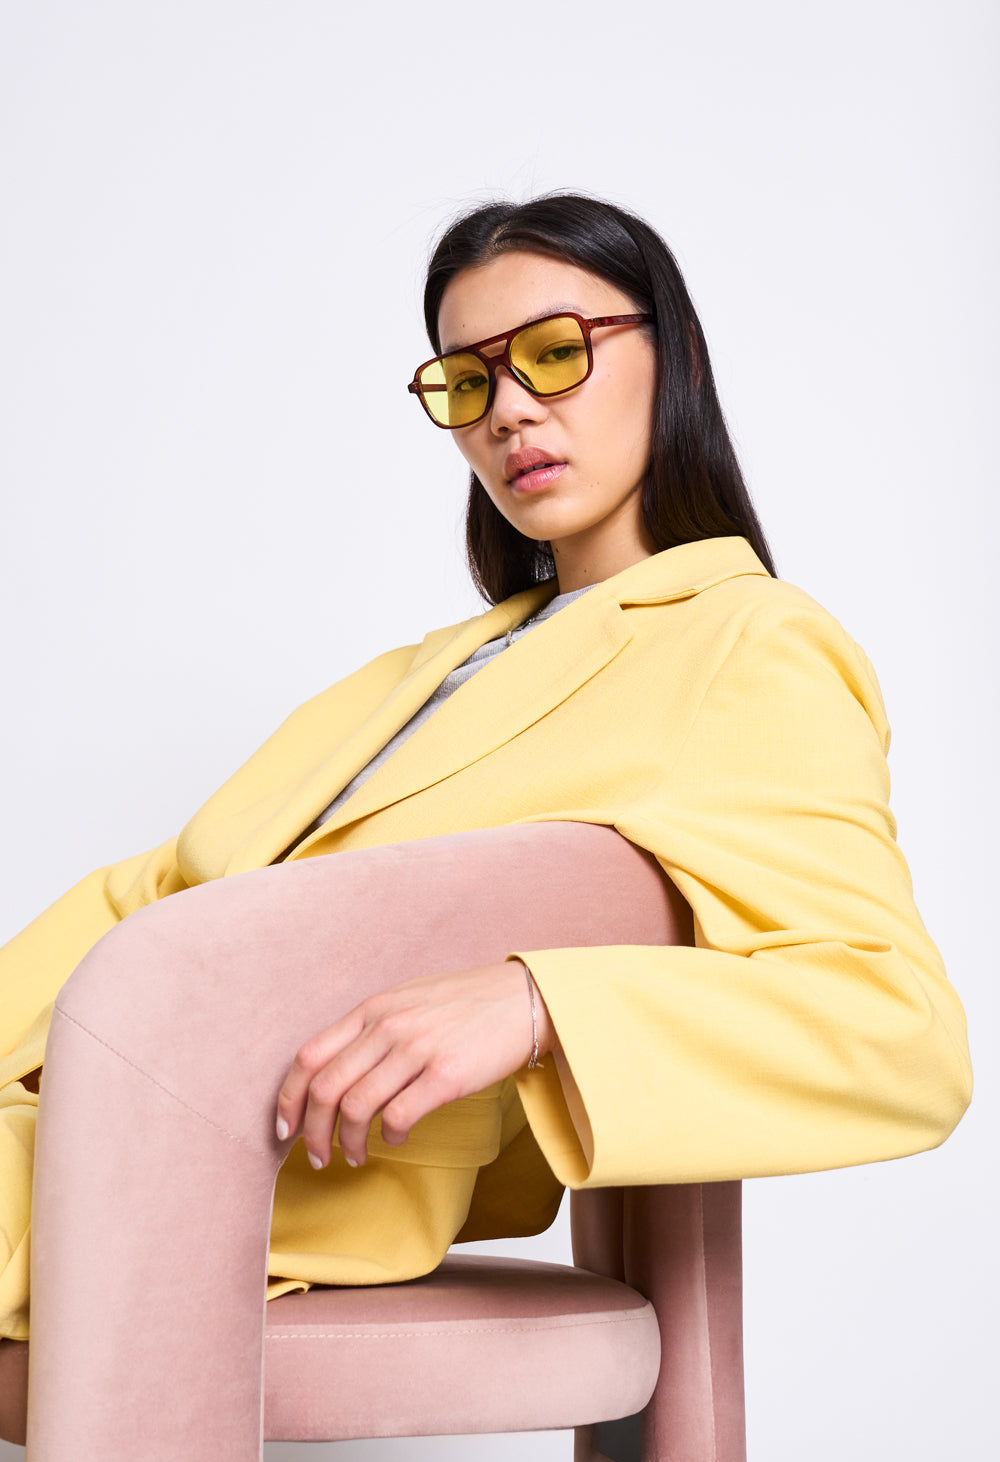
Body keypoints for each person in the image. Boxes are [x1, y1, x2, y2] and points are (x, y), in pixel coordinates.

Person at [0, 193, 973, 1351]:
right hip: (69, 1104)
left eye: (555, 355)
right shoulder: (415, 674)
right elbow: (163, 886)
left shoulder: (748, 644)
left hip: (263, 1169)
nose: (508, 412)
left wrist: (535, 1003)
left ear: (674, 359)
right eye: (468, 381)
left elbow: (896, 1031)